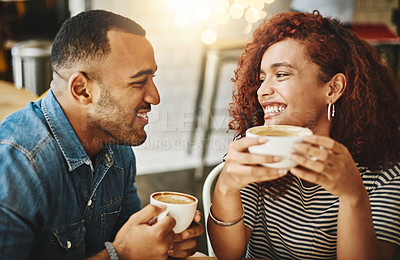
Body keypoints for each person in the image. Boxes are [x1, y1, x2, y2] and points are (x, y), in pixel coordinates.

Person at [0, 10, 203, 259]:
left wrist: (160, 244)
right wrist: (122, 254)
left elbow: (126, 236)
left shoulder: (117, 145)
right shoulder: (18, 163)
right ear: (82, 89)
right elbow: (123, 251)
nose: (155, 96)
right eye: (139, 82)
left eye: (153, 77)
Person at [208, 11, 400, 260]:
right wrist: (226, 187)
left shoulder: (386, 175)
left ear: (333, 88)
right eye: (261, 79)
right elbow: (228, 254)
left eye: (281, 74)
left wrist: (353, 196)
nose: (263, 91)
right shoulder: (257, 153)